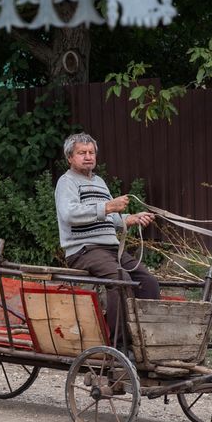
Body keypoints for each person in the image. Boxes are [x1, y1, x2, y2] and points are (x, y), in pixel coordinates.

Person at [55, 132, 160, 350]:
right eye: (81, 153)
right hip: (84, 250)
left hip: (111, 250)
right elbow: (69, 214)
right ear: (70, 158)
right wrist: (108, 206)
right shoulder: (66, 182)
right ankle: (119, 347)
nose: (88, 157)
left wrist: (129, 219)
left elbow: (108, 218)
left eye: (91, 152)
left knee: (148, 282)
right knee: (120, 279)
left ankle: (148, 342)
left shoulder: (100, 182)